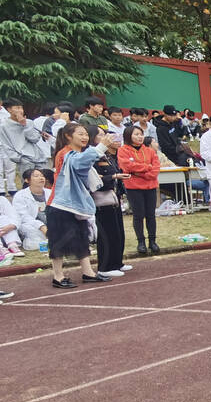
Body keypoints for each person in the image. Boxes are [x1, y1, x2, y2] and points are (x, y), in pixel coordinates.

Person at [46, 123, 117, 288]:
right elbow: (79, 163)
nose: (85, 137)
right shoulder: (65, 154)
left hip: (76, 204)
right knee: (59, 241)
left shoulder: (79, 153)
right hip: (61, 205)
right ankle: (58, 276)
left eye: (86, 134)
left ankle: (88, 272)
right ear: (68, 137)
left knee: (82, 238)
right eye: (80, 134)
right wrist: (100, 147)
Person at [89, 126, 130, 276]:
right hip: (101, 199)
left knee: (118, 232)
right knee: (106, 234)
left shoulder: (106, 155)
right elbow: (94, 180)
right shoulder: (91, 156)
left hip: (114, 197)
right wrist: (112, 177)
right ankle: (105, 267)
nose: (106, 137)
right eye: (100, 135)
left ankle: (117, 262)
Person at [118, 124, 162, 254]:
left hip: (150, 186)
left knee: (151, 215)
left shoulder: (149, 151)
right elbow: (127, 166)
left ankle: (152, 241)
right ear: (128, 136)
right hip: (134, 187)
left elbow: (155, 167)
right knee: (138, 215)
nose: (139, 137)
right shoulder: (123, 150)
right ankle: (141, 242)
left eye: (141, 134)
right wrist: (146, 167)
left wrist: (144, 172)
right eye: (136, 134)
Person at [1, 99, 48, 188]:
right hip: (24, 160)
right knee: (28, 185)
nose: (20, 111)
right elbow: (6, 146)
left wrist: (25, 125)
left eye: (21, 108)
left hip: (39, 158)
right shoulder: (4, 126)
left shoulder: (29, 122)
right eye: (17, 108)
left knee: (44, 184)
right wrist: (20, 159)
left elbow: (35, 139)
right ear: (9, 110)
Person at [13, 168, 51, 250]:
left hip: (51, 223)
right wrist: (41, 226)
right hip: (31, 225)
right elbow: (23, 216)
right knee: (34, 235)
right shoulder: (20, 195)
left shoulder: (50, 193)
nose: (41, 178)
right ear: (27, 180)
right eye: (36, 176)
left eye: (42, 176)